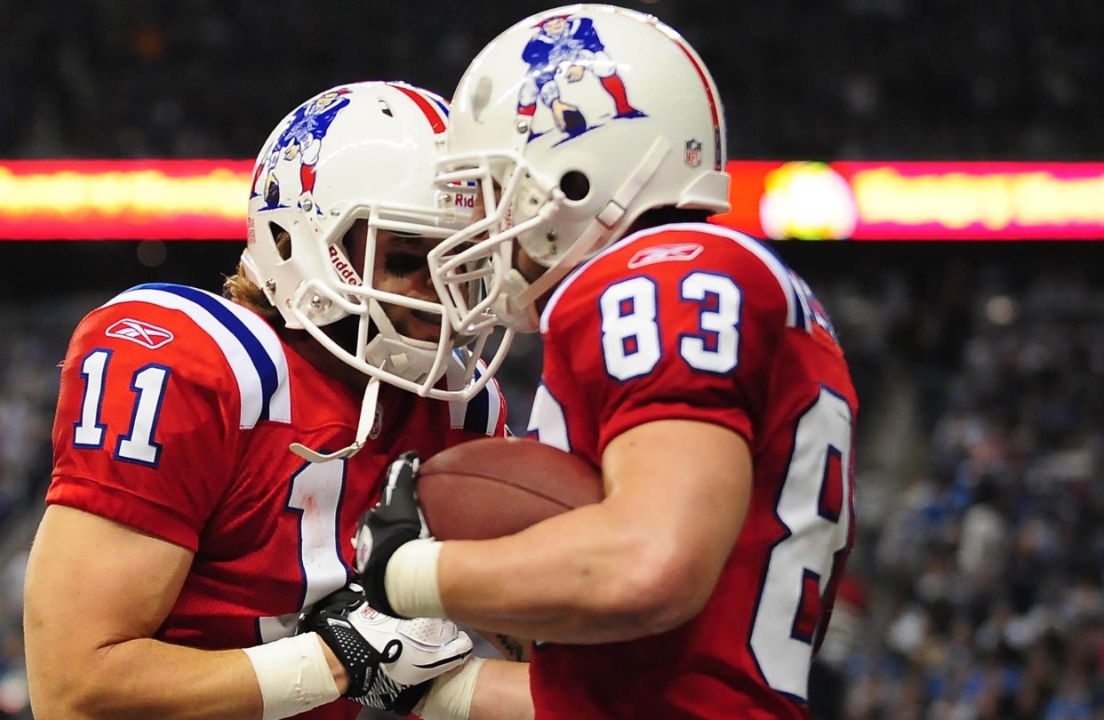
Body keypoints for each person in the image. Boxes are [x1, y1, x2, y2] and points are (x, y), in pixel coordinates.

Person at [354, 6, 859, 719]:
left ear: (576, 175)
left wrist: (406, 569)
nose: (482, 226)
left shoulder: (659, 274)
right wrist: (416, 681)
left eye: (495, 189)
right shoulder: (700, 276)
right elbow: (624, 689)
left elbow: (652, 565)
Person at [23, 81, 512, 720]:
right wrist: (336, 662)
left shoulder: (462, 409)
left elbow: (466, 677)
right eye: (406, 255)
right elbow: (74, 688)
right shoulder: (193, 362)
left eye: (464, 261)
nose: (443, 294)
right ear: (295, 243)